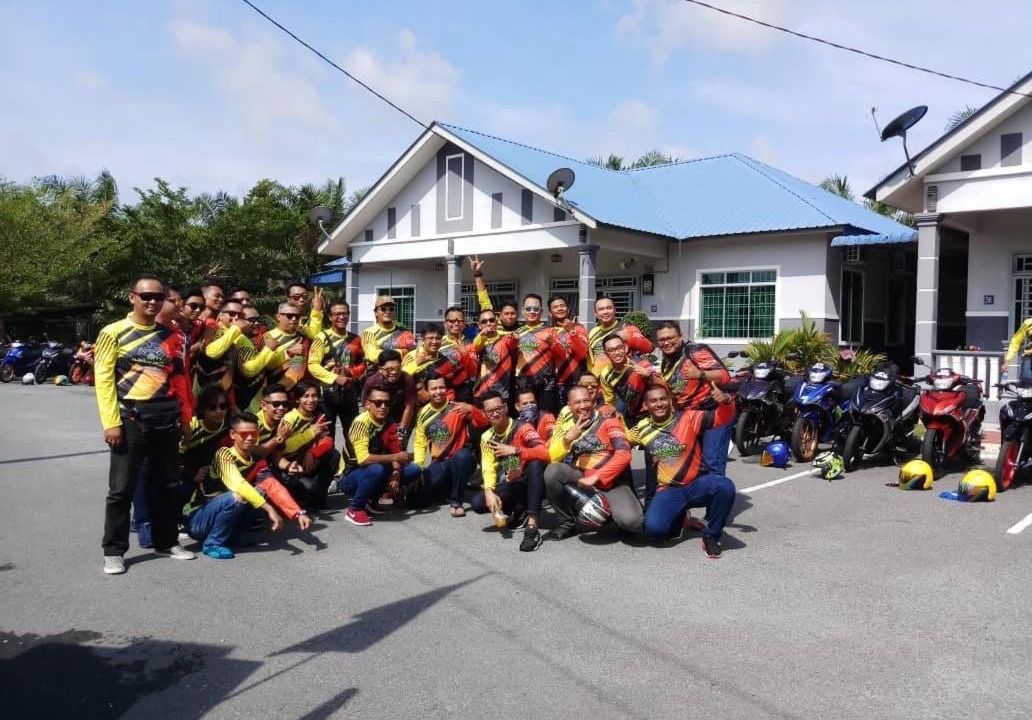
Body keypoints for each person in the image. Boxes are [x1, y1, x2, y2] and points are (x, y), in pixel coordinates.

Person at [95, 273, 196, 575]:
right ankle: (114, 551)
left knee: (168, 484)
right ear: (132, 297)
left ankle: (167, 541)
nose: (152, 302)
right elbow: (103, 380)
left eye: (158, 297)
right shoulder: (112, 332)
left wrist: (185, 419)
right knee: (121, 489)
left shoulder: (172, 336)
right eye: (146, 296)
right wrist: (111, 423)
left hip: (166, 419)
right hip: (130, 419)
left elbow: (180, 381)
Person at [182, 412, 311, 560]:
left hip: (222, 512)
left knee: (261, 491)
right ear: (233, 435)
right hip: (197, 520)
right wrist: (269, 509)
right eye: (244, 434)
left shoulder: (257, 458)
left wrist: (298, 513)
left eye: (254, 433)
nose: (250, 438)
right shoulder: (223, 455)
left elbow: (273, 486)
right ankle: (213, 543)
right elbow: (238, 484)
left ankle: (234, 536)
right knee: (237, 496)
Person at [629, 385, 736, 559]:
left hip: (697, 485)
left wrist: (726, 402)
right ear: (646, 405)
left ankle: (712, 536)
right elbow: (619, 440)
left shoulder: (688, 418)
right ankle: (680, 516)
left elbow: (720, 418)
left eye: (663, 399)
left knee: (725, 487)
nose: (659, 404)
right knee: (654, 531)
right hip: (669, 490)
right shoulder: (641, 428)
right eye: (653, 401)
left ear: (670, 401)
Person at [543, 385, 639, 541]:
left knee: (632, 523)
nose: (583, 406)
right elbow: (551, 457)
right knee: (552, 471)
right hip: (581, 476)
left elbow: (624, 454)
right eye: (577, 402)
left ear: (593, 402)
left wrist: (598, 476)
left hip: (612, 482)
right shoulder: (565, 426)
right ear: (569, 405)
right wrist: (567, 440)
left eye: (586, 400)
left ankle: (609, 514)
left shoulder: (609, 421)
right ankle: (566, 524)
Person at [470, 391, 550, 552]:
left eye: (498, 408)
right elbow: (488, 467)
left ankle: (532, 527)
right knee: (478, 503)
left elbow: (544, 453)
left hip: (535, 480)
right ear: (484, 413)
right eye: (490, 411)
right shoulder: (486, 437)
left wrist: (516, 451)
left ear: (505, 407)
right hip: (514, 482)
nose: (495, 413)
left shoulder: (522, 427)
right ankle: (520, 510)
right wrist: (489, 491)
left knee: (535, 463)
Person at [654, 321, 735, 477]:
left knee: (712, 462)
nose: (666, 342)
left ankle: (718, 491)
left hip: (714, 412)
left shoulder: (695, 351)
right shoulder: (667, 361)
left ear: (680, 336)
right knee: (693, 463)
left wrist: (700, 374)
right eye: (662, 340)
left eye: (670, 338)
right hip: (690, 417)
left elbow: (724, 376)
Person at [339, 385, 422, 527]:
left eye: (387, 403)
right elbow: (364, 459)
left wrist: (396, 473)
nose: (383, 407)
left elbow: (395, 450)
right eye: (378, 403)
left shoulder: (389, 422)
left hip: (376, 469)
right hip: (350, 476)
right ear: (367, 404)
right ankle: (355, 509)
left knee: (414, 470)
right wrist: (396, 457)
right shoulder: (361, 423)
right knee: (377, 469)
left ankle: (373, 499)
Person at [413, 377, 488, 515]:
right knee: (416, 501)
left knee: (463, 456)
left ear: (447, 389)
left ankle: (456, 501)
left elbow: (484, 422)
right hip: (439, 462)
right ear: (427, 391)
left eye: (441, 387)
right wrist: (419, 467)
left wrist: (472, 409)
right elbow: (419, 443)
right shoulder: (422, 413)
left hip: (462, 459)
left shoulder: (459, 407)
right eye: (433, 388)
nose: (438, 392)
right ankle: (446, 488)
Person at [273, 381, 339, 510]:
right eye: (306, 396)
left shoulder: (318, 416)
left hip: (306, 461)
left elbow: (328, 441)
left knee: (333, 455)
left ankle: (317, 501)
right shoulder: (289, 419)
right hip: (289, 467)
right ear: (297, 399)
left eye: (314, 396)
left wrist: (311, 453)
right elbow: (284, 447)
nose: (311, 400)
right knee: (309, 489)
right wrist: (310, 434)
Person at [308, 300, 365, 443]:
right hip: (326, 396)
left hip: (349, 395)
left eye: (345, 313)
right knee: (326, 437)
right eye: (337, 314)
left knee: (354, 436)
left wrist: (350, 372)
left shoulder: (356, 339)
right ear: (330, 316)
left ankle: (351, 458)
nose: (342, 317)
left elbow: (362, 364)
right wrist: (335, 378)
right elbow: (313, 365)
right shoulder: (321, 338)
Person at [511, 293, 567, 415]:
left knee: (545, 418)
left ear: (541, 312)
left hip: (546, 383)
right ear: (523, 312)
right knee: (527, 417)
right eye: (528, 309)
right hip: (524, 382)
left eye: (535, 309)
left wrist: (552, 342)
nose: (532, 312)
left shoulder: (550, 331)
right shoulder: (517, 332)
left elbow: (562, 356)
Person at [402, 323, 470, 406]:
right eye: (430, 338)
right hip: (412, 405)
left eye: (438, 338)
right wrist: (416, 363)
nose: (434, 342)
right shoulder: (412, 356)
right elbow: (400, 378)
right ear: (423, 338)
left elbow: (450, 388)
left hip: (435, 408)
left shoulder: (446, 362)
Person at [194, 300, 249, 397]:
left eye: (240, 315)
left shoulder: (237, 334)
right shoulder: (213, 329)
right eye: (232, 314)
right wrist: (236, 329)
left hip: (225, 393)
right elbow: (211, 352)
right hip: (205, 393)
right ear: (220, 315)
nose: (236, 318)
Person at [253, 302, 311, 391]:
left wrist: (281, 389)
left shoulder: (302, 339)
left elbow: (296, 368)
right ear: (278, 316)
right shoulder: (266, 337)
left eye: (297, 316)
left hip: (292, 389)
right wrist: (289, 353)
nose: (294, 319)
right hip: (267, 388)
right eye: (289, 316)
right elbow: (264, 364)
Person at [598, 333, 655, 422]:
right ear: (606, 354)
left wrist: (649, 376)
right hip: (629, 415)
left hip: (651, 413)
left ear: (625, 348)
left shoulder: (641, 364)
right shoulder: (606, 374)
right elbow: (609, 402)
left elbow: (661, 386)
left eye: (619, 348)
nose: (616, 353)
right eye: (611, 350)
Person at [587, 297, 653, 373]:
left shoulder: (626, 329)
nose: (605, 312)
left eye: (609, 308)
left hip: (623, 377)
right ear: (596, 314)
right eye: (601, 309)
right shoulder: (593, 332)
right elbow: (590, 359)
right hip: (599, 377)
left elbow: (649, 347)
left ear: (615, 310)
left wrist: (629, 337)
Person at [361, 349, 417, 438]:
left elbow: (409, 408)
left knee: (399, 442)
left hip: (401, 416)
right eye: (389, 369)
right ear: (380, 369)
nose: (394, 372)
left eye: (398, 368)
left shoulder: (407, 380)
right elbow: (367, 408)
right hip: (380, 415)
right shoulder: (371, 382)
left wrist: (401, 431)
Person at [471, 308, 520, 403]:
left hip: (503, 393)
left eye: (491, 320)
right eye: (484, 322)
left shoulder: (505, 338)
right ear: (479, 325)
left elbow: (513, 343)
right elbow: (476, 346)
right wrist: (482, 335)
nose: (488, 323)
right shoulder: (480, 340)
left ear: (496, 322)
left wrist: (515, 338)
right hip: (483, 392)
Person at [548, 295, 589, 404]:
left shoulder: (578, 328)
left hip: (577, 383)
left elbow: (583, 352)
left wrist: (571, 331)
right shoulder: (548, 332)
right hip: (555, 384)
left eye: (562, 305)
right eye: (555, 307)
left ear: (568, 309)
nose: (559, 308)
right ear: (550, 313)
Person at [439, 306, 479, 402]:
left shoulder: (470, 344)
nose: (456, 323)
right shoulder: (437, 342)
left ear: (464, 324)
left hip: (464, 393)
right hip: (441, 391)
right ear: (445, 323)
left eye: (460, 321)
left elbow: (473, 372)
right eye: (452, 321)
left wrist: (465, 353)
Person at [232, 306, 268, 413]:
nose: (256, 323)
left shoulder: (253, 341)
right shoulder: (240, 340)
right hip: (245, 401)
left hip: (255, 400)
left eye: (258, 319)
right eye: (251, 320)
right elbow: (247, 371)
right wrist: (269, 350)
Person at [361, 295, 416, 364]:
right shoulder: (369, 333)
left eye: (391, 309)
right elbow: (373, 356)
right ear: (375, 312)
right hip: (378, 370)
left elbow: (413, 354)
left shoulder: (405, 332)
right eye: (383, 309)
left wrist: (382, 352)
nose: (388, 312)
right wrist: (402, 351)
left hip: (402, 370)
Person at [1005, 316, 1032, 383]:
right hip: (1029, 358)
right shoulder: (1028, 322)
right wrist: (1007, 360)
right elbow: (1016, 341)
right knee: (1026, 384)